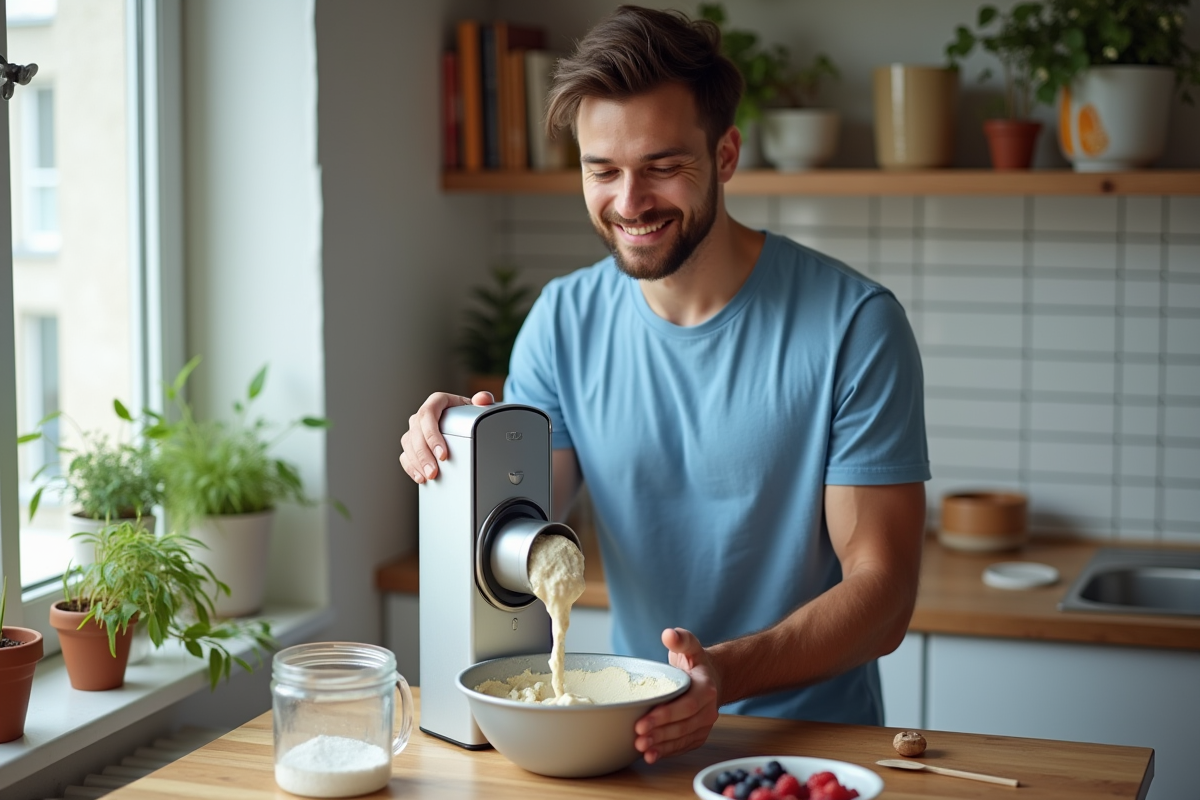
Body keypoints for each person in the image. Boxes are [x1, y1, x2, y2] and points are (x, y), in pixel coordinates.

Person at [400, 5, 929, 765]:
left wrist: (721, 675)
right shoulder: (561, 321)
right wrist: (459, 455)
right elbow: (517, 531)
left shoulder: (854, 325)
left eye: (661, 166)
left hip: (813, 748)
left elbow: (884, 595)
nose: (629, 201)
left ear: (726, 155)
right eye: (602, 170)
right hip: (637, 737)